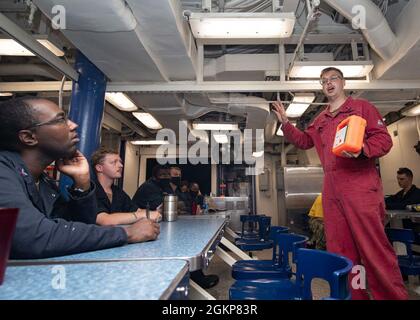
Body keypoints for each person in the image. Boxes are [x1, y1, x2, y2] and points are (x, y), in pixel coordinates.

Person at [272, 67, 408, 300]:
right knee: (342, 251)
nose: (328, 83)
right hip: (331, 189)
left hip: (360, 183)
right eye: (324, 81)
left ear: (343, 82)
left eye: (333, 78)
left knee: (373, 248)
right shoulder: (320, 118)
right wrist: (286, 123)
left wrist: (363, 149)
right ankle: (355, 296)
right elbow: (305, 141)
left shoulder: (362, 108)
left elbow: (383, 140)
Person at [0, 97, 160, 259]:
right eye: (61, 120)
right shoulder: (3, 172)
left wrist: (82, 182)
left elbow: (76, 229)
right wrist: (126, 233)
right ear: (29, 137)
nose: (73, 125)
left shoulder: (44, 183)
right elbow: (33, 237)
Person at [91, 148, 161, 226]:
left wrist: (155, 212)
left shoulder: (118, 192)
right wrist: (142, 215)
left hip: (117, 236)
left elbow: (137, 210)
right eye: (114, 162)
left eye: (120, 162)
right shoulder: (90, 191)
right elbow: (105, 220)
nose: (121, 165)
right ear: (99, 168)